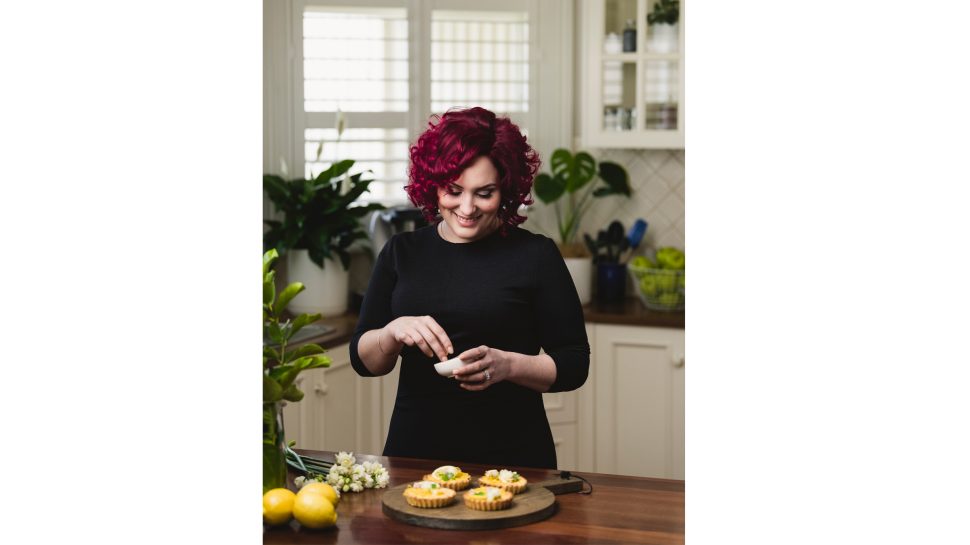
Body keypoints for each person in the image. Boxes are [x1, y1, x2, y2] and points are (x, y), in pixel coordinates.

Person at [349, 107, 589, 470]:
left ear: (506, 188)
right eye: (453, 191)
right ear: (434, 185)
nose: (466, 208)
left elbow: (574, 364)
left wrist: (508, 365)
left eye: (484, 193)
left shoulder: (535, 255)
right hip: (414, 456)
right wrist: (393, 332)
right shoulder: (402, 252)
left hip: (515, 460)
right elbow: (364, 362)